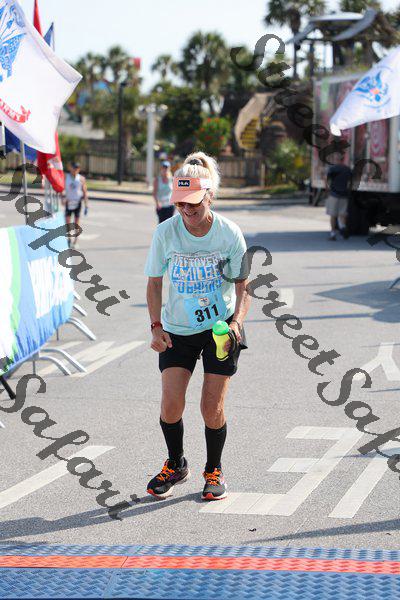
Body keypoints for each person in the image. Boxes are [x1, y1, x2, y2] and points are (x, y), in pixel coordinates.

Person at [144, 151, 251, 501]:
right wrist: (156, 326)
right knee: (170, 405)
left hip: (220, 329)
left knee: (211, 406)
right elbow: (154, 283)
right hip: (178, 328)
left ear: (209, 196)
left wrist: (236, 323)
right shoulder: (165, 233)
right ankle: (176, 464)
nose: (186, 210)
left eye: (193, 202)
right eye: (180, 203)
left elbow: (243, 286)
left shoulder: (229, 233)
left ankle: (213, 470)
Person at [325, 154, 352, 241]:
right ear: (343, 160)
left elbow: (327, 181)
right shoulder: (347, 169)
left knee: (333, 215)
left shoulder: (332, 169)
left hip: (334, 195)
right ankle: (343, 228)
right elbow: (350, 182)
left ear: (335, 159)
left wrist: (327, 191)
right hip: (344, 195)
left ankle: (333, 234)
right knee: (342, 214)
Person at [62, 162, 88, 247]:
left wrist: (86, 205)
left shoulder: (81, 178)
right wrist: (62, 198)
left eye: (77, 169)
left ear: (79, 170)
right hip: (69, 202)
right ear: (70, 168)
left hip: (77, 202)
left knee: (76, 223)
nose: (75, 170)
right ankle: (69, 239)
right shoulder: (66, 177)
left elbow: (84, 192)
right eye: (74, 168)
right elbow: (62, 188)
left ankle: (76, 241)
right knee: (68, 222)